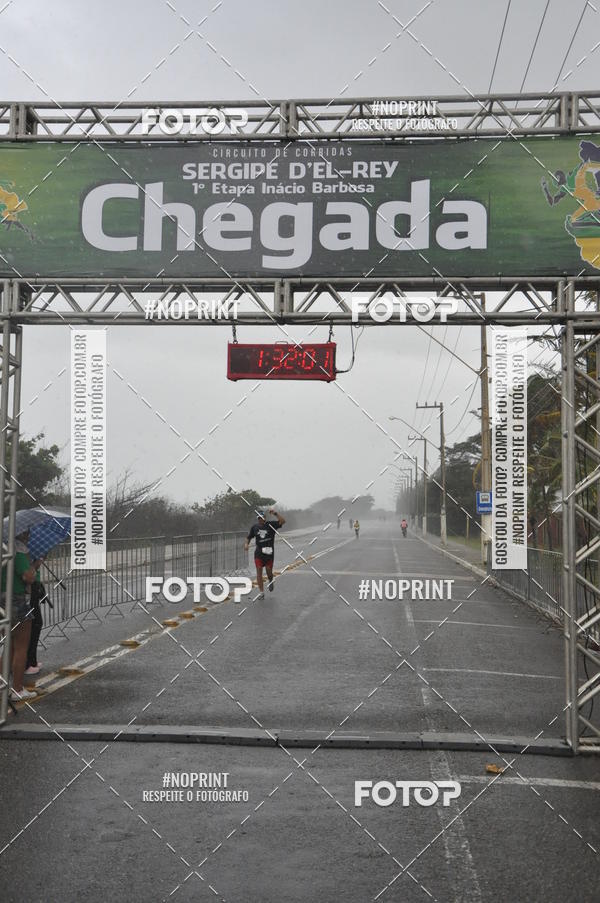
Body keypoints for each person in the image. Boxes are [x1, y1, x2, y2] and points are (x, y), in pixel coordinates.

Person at [0, 530, 42, 701]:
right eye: (28, 531)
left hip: (2, 599)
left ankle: (2, 683)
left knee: (9, 645)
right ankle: (17, 689)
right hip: (16, 600)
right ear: (21, 533)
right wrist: (36, 564)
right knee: (20, 647)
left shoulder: (4, 547)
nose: (30, 534)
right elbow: (28, 577)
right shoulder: (18, 549)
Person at [244, 508, 286, 599]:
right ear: (257, 518)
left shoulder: (271, 525)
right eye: (259, 518)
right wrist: (246, 544)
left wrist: (275, 513)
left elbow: (283, 521)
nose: (260, 519)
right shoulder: (254, 527)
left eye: (262, 517)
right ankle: (261, 593)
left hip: (269, 553)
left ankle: (271, 580)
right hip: (259, 553)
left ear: (265, 517)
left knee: (268, 572)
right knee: (259, 571)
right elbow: (249, 537)